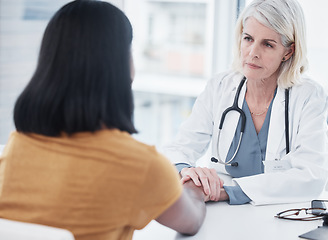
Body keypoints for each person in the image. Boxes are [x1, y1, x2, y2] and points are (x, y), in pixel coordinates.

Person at [0, 1, 206, 239]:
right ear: (121, 68)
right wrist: (193, 185)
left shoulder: (15, 149)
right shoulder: (141, 165)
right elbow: (191, 221)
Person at [162, 0, 328, 206]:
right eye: (248, 38)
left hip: (282, 212)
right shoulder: (221, 87)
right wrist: (187, 171)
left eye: (268, 44)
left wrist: (230, 192)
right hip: (222, 212)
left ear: (288, 52)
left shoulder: (309, 96)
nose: (253, 52)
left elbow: (312, 175)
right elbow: (179, 147)